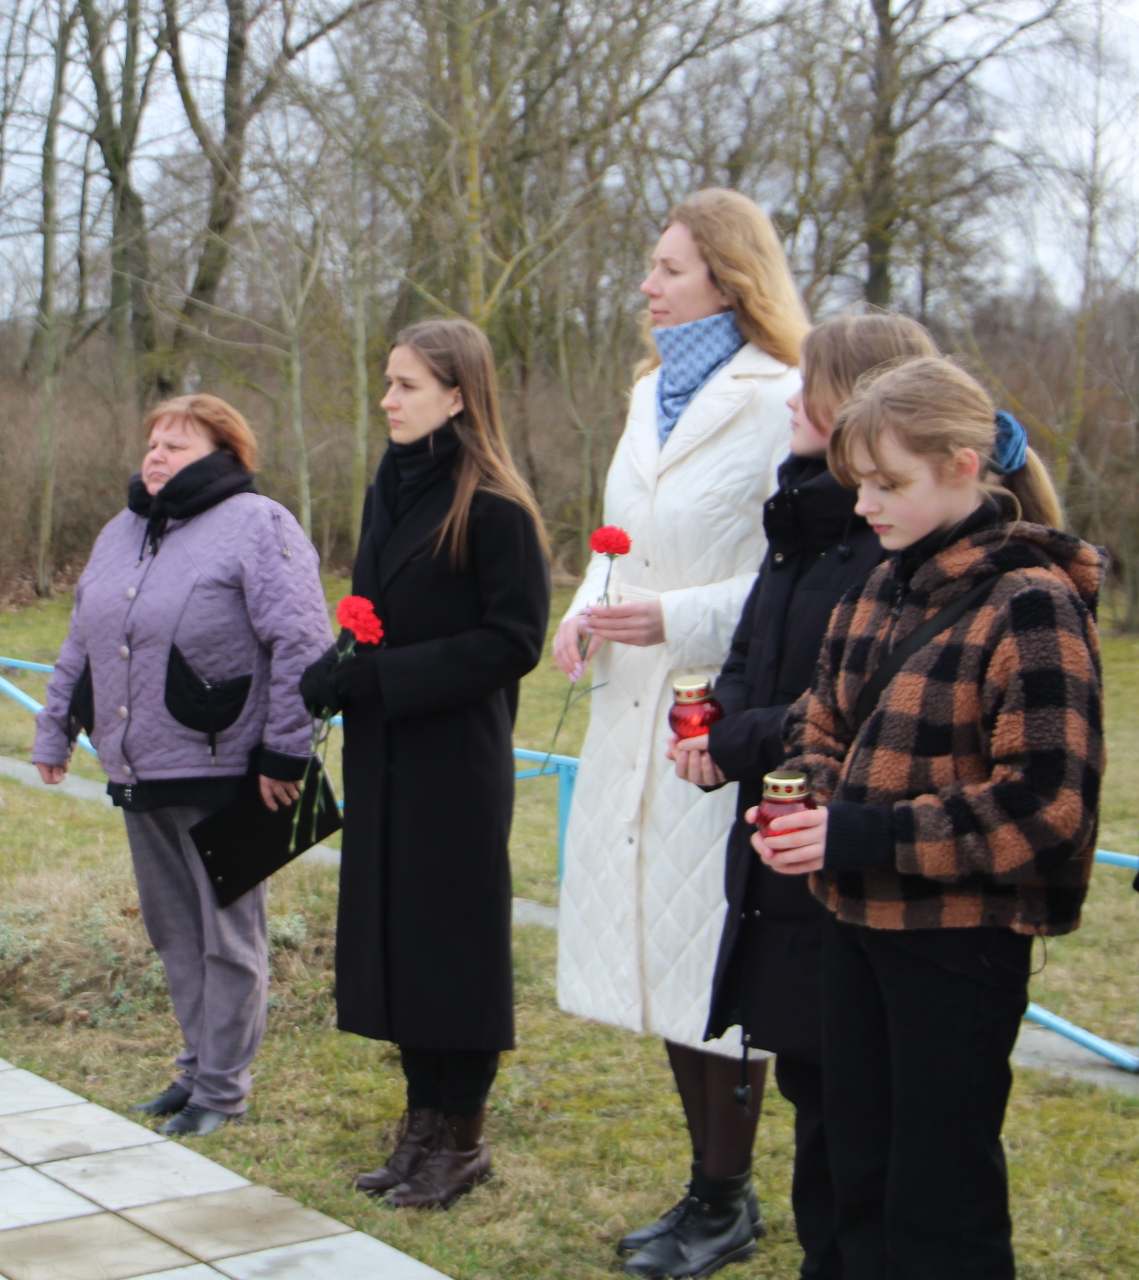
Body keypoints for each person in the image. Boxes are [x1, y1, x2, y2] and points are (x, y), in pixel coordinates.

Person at [761, 356, 1102, 1279]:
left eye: (888, 484)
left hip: (959, 943)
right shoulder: (879, 585)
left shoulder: (1033, 604)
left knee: (938, 1197)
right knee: (853, 1173)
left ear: (962, 465)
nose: (866, 505)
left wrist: (858, 833)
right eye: (858, 483)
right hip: (854, 925)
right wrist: (806, 798)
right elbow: (818, 723)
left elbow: (1046, 804)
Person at [550, 188, 808, 1276]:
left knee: (715, 952)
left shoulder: (781, 398)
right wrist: (584, 613)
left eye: (666, 269)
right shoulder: (649, 391)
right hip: (631, 708)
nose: (646, 287)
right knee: (657, 943)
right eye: (651, 267)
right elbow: (620, 543)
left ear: (728, 278)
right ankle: (704, 1185)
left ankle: (730, 1195)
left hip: (721, 707)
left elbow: (795, 573)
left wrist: (676, 617)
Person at [668, 314, 939, 1280]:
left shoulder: (881, 546)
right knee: (817, 1105)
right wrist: (713, 732)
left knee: (855, 1121)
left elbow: (848, 705)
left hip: (845, 855)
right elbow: (750, 655)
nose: (791, 399)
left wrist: (735, 738)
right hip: (782, 848)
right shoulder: (799, 522)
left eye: (810, 384)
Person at [298, 317, 551, 1210]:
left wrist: (382, 677)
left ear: (457, 394)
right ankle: (420, 1127)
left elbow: (513, 641)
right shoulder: (388, 488)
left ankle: (463, 1136)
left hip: (453, 761)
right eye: (388, 381)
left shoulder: (497, 507)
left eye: (405, 384)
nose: (387, 399)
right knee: (401, 940)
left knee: (455, 948)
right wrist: (336, 665)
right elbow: (374, 608)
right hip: (385, 755)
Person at [32, 395, 329, 1138]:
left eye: (178, 447)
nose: (157, 456)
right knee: (173, 931)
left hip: (231, 768)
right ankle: (195, 1071)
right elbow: (84, 640)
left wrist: (285, 750)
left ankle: (223, 1093)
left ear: (225, 456)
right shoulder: (122, 531)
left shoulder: (261, 526)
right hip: (142, 765)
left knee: (229, 937)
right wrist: (55, 729)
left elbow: (301, 643)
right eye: (154, 444)